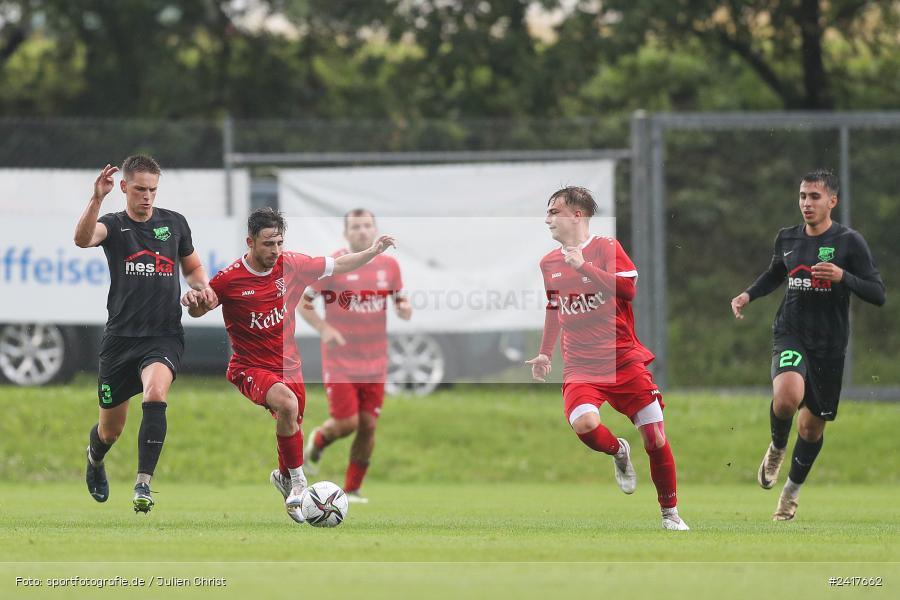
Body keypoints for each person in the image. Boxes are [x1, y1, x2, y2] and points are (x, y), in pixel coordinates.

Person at [186, 207, 395, 522]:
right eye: (268, 243)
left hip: (288, 366)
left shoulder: (293, 264)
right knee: (286, 404)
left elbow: (338, 265)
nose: (275, 250)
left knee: (292, 419)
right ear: (250, 242)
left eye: (279, 242)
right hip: (248, 367)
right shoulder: (230, 278)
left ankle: (284, 478)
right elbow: (202, 309)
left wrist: (372, 252)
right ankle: (299, 482)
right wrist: (195, 303)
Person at [526, 186, 688, 531]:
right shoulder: (548, 263)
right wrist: (544, 352)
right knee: (583, 424)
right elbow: (555, 308)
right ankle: (618, 452)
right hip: (581, 365)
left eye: (555, 211)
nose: (548, 219)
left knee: (655, 438)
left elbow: (629, 291)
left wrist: (584, 267)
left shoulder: (606, 248)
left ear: (577, 215)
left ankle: (670, 514)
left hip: (623, 359)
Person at [730, 169, 884, 521]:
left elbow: (877, 293)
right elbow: (775, 273)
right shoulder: (787, 238)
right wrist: (747, 295)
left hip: (830, 344)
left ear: (833, 201)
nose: (806, 203)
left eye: (814, 197)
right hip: (791, 331)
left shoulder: (850, 242)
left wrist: (844, 277)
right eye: (802, 196)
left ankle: (790, 494)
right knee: (786, 397)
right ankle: (777, 447)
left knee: (811, 429)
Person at [75, 156, 217, 513]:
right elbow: (82, 239)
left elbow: (195, 267)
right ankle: (94, 459)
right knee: (110, 432)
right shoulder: (113, 224)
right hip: (121, 339)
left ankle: (143, 484)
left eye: (153, 190)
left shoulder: (174, 223)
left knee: (155, 392)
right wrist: (96, 198)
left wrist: (200, 288)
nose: (147, 196)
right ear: (124, 187)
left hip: (163, 335)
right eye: (140, 189)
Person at [299, 209, 411, 503]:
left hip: (376, 361)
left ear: (374, 230)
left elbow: (400, 298)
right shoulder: (335, 265)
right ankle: (319, 441)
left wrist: (404, 307)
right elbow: (303, 301)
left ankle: (353, 489)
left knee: (369, 425)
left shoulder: (389, 266)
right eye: (356, 227)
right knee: (347, 423)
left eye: (367, 226)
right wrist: (323, 328)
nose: (362, 231)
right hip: (340, 360)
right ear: (346, 233)